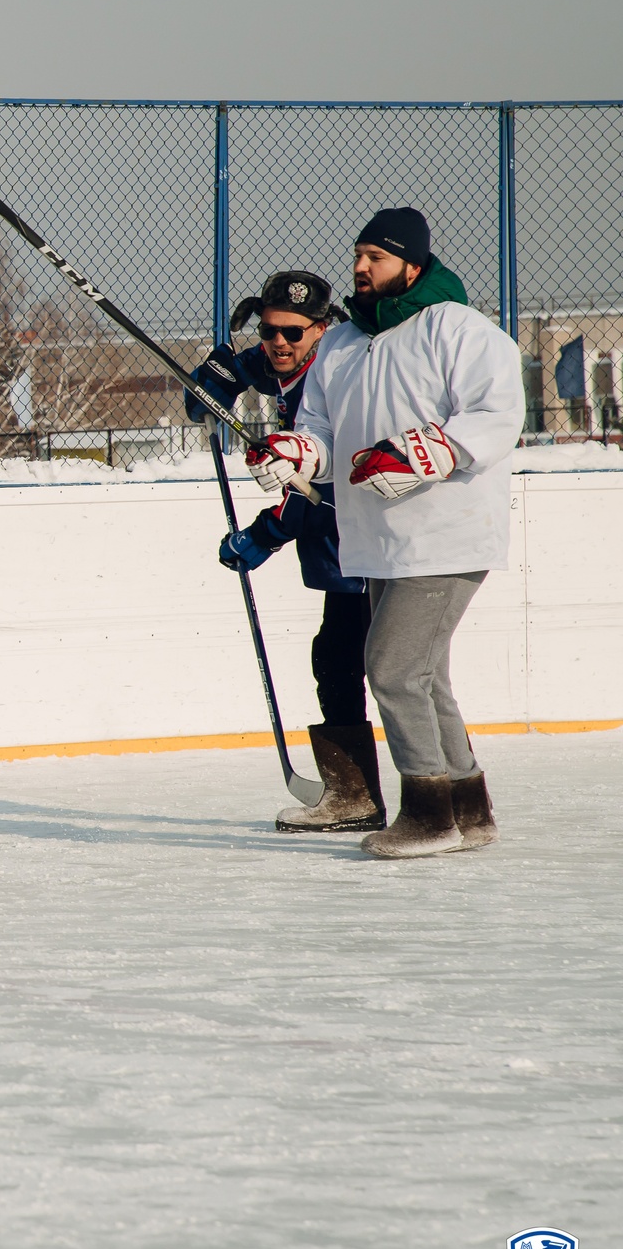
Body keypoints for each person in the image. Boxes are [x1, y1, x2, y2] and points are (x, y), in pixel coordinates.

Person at [246, 207, 524, 858]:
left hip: (447, 534)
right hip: (376, 541)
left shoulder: (457, 329)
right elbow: (318, 425)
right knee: (423, 675)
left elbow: (496, 411)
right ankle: (468, 808)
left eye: (375, 256)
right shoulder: (342, 344)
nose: (360, 266)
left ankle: (428, 815)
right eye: (358, 254)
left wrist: (424, 452)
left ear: (413, 262)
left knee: (392, 670)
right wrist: (295, 452)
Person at [186, 271, 380, 831]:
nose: (279, 343)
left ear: (323, 330)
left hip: (368, 545)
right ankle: (358, 796)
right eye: (270, 330)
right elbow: (230, 384)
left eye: (294, 333)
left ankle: (424, 794)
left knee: (385, 670)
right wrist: (213, 385)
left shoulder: (338, 379)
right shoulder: (293, 364)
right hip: (343, 554)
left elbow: (322, 488)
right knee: (341, 662)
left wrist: (262, 536)